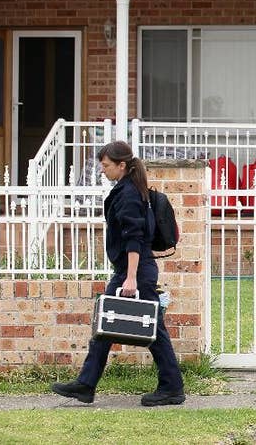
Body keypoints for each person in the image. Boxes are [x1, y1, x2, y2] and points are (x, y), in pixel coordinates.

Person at [51, 141, 185, 406]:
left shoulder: (129, 194)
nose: (103, 170)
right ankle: (86, 385)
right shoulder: (130, 189)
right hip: (131, 269)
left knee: (153, 329)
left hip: (134, 270)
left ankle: (171, 388)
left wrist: (131, 278)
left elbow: (134, 239)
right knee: (106, 324)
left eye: (107, 166)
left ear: (121, 165)